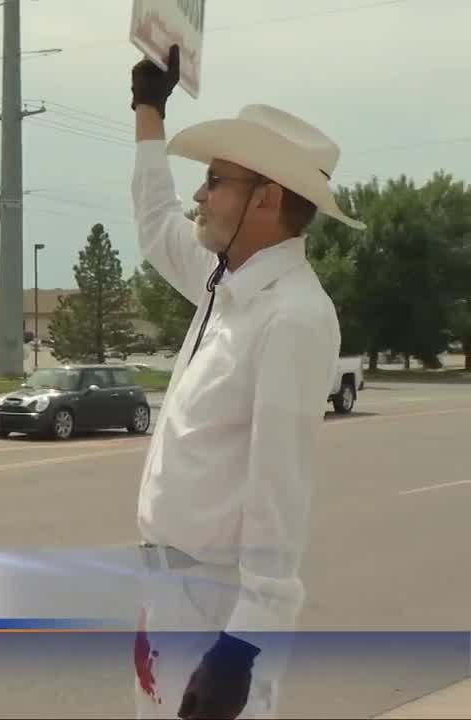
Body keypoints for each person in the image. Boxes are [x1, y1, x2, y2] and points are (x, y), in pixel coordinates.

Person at [127, 46, 365, 719]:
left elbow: (279, 497)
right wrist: (150, 108)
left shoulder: (293, 316)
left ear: (266, 197)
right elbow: (154, 226)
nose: (198, 195)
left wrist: (241, 649)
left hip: (218, 608)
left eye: (214, 180)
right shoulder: (225, 286)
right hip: (171, 595)